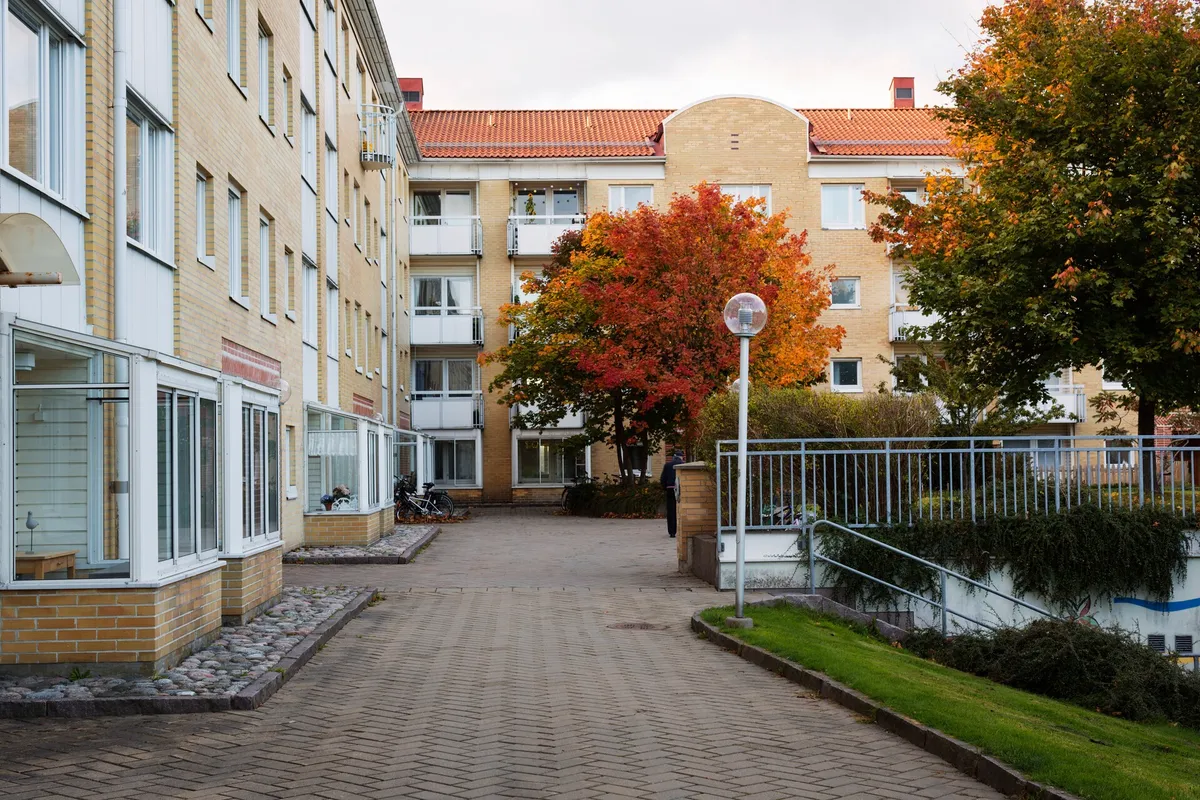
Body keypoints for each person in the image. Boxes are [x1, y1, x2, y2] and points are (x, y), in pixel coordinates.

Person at [660, 450, 684, 538]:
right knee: (681, 510)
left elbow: (662, 479)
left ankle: (672, 532)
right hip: (682, 490)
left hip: (670, 489)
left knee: (671, 511)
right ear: (681, 457)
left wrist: (665, 488)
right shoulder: (683, 465)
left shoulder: (667, 465)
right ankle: (682, 530)